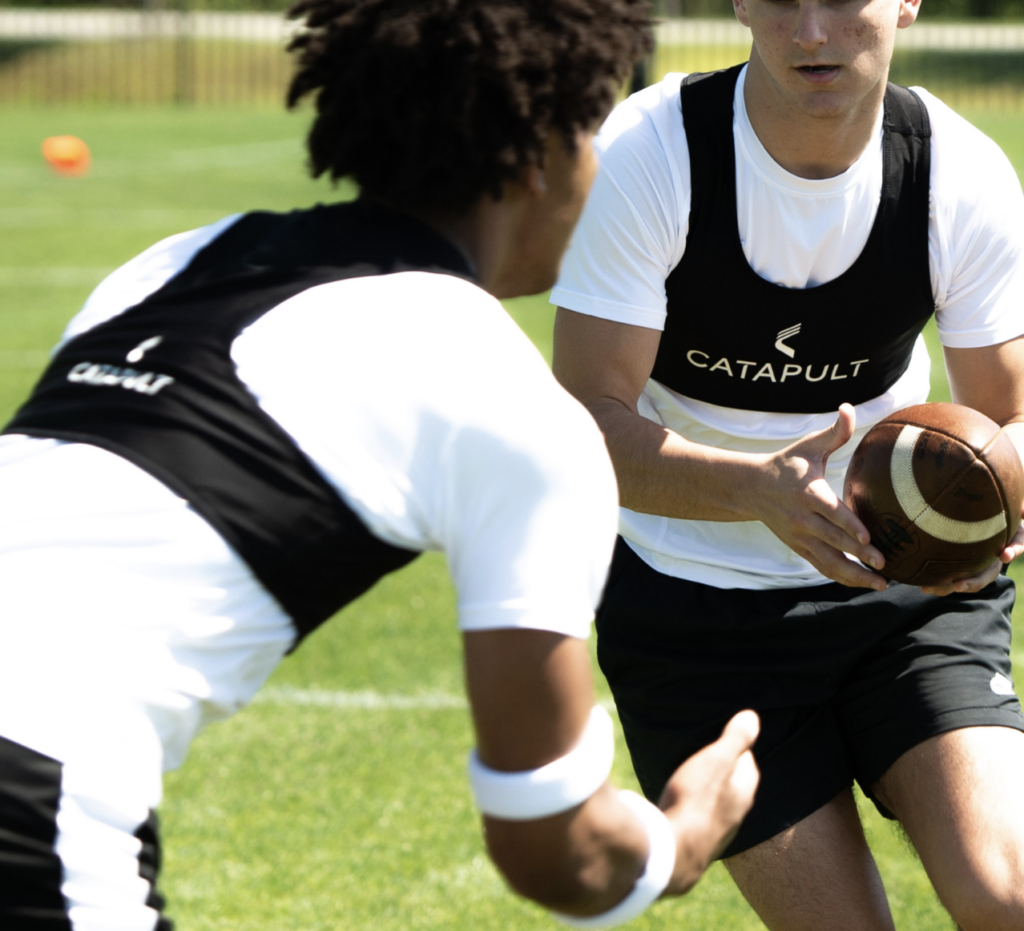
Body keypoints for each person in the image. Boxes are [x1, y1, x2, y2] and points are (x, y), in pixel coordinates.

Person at [0, 2, 764, 929]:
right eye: (591, 134)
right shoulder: (505, 395)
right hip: (29, 806)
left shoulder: (170, 264)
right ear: (539, 154)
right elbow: (555, 850)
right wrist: (679, 843)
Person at [551, 0, 1024, 927]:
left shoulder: (955, 170)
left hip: (909, 585)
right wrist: (758, 491)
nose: (810, 31)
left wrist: (997, 493)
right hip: (694, 610)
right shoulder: (652, 152)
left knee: (1007, 890)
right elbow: (580, 428)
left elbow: (1009, 410)